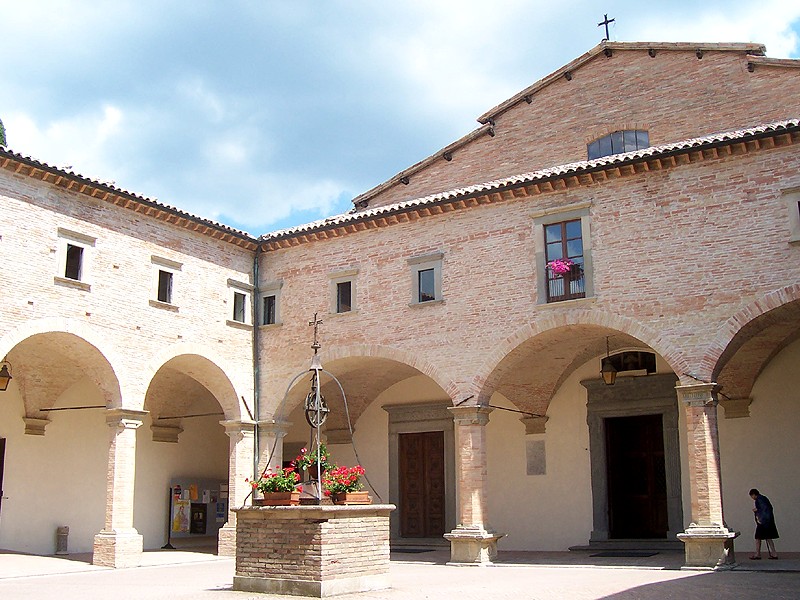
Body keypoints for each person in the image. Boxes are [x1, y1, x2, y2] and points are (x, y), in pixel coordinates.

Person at [749, 488, 779, 559]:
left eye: (751, 496)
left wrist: (759, 516)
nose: (752, 498)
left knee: (758, 537)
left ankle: (758, 554)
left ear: (753, 494)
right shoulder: (764, 498)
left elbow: (764, 510)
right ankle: (774, 553)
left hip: (763, 522)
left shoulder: (759, 499)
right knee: (768, 537)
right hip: (768, 521)